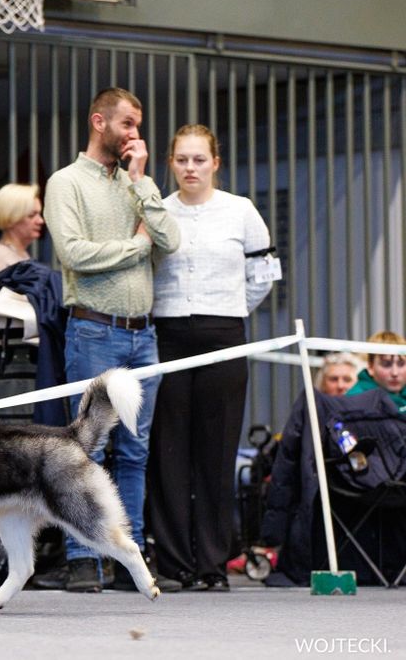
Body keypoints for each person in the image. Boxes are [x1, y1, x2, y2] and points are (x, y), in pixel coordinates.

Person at [41, 87, 180, 593]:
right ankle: (83, 557)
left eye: (138, 126)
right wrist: (135, 245)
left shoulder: (135, 184)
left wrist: (144, 183)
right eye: (127, 125)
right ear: (99, 121)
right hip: (93, 328)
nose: (135, 136)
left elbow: (171, 240)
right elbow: (76, 255)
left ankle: (130, 560)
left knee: (136, 453)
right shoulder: (65, 183)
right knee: (87, 449)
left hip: (144, 335)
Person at [147, 124, 276, 592]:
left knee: (217, 451)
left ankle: (214, 564)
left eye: (199, 159)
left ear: (216, 162)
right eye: (181, 159)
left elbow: (263, 274)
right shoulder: (157, 209)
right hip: (168, 333)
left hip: (225, 332)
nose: (190, 168)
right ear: (170, 163)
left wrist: (233, 306)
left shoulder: (241, 211)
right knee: (169, 450)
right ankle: (176, 561)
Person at [0, 183, 44, 296]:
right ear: (11, 217)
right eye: (32, 215)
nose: (40, 221)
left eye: (39, 214)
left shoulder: (22, 255)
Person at [346, 330, 406, 409]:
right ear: (370, 367)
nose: (395, 373)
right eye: (386, 364)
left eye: (401, 364)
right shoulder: (356, 399)